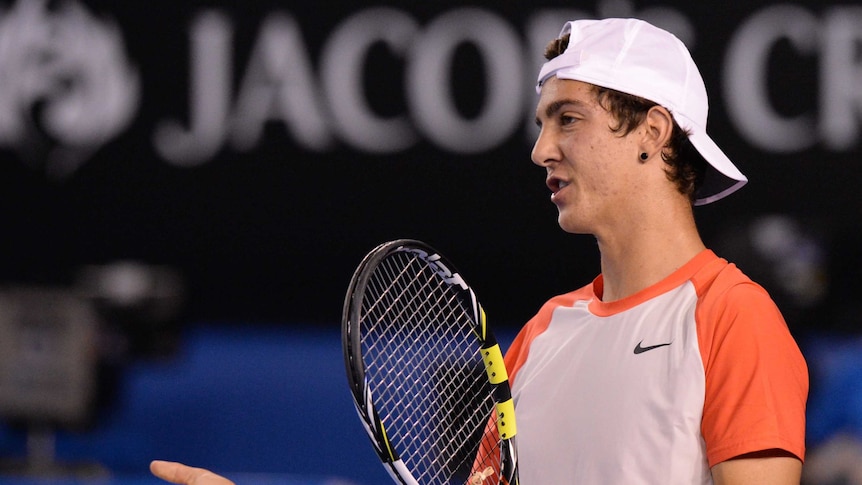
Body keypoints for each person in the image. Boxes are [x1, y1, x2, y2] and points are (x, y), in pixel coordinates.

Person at [150, 17, 808, 485]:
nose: (541, 149)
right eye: (542, 123)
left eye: (568, 118)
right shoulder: (543, 334)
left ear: (651, 131)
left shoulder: (732, 319)